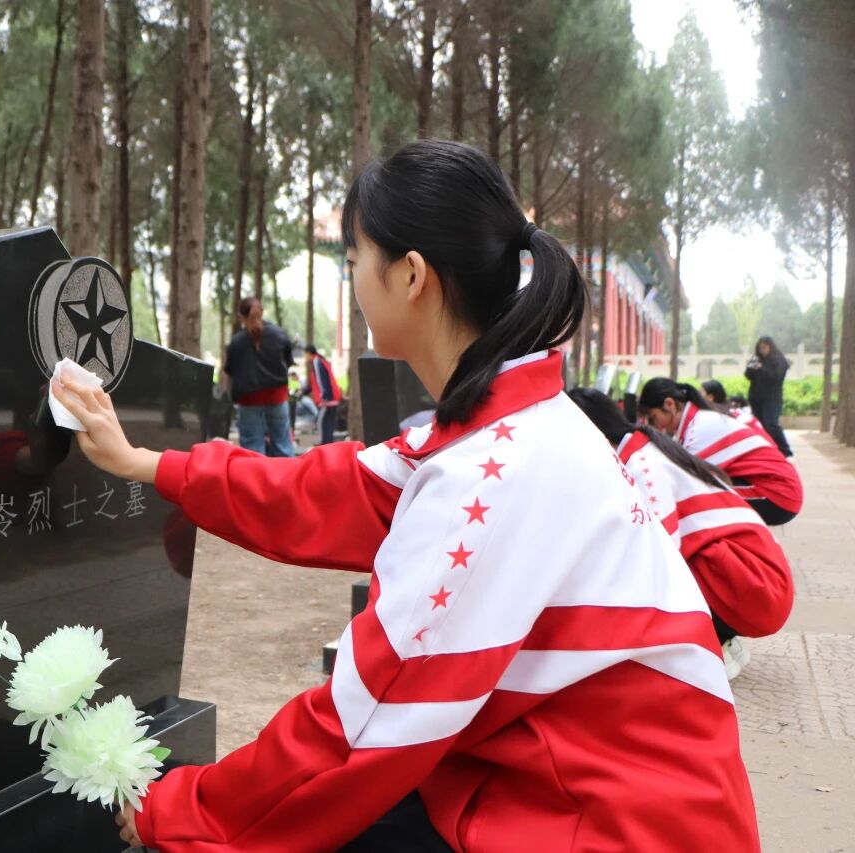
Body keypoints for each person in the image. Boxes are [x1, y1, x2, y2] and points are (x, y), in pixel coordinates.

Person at [54, 139, 757, 851]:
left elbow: (362, 724)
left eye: (356, 258)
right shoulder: (505, 425)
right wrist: (148, 463)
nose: (353, 278)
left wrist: (179, 808)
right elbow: (326, 491)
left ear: (411, 275)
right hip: (580, 786)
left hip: (611, 824)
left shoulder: (491, 474)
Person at [568, 388, 793, 680]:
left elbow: (660, 558)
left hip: (757, 589)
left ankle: (708, 651)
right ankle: (722, 639)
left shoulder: (641, 466)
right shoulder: (645, 447)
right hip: (757, 581)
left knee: (646, 567)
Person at [638, 377, 802, 526]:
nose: (653, 425)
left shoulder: (699, 429)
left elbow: (682, 478)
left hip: (777, 494)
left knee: (692, 499)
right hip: (775, 486)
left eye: (652, 416)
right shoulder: (697, 420)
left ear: (669, 404)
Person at [223, 297, 296, 457]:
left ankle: (256, 473)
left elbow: (229, 369)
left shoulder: (236, 342)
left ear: (241, 316)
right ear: (261, 312)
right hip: (277, 397)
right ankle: (286, 472)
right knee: (283, 444)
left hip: (249, 400)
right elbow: (288, 362)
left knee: (252, 448)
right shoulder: (279, 334)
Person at [745, 335, 792, 456]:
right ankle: (766, 449)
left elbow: (775, 378)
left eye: (764, 347)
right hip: (756, 397)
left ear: (771, 347)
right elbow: (748, 375)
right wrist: (752, 366)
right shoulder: (757, 359)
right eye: (760, 348)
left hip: (772, 398)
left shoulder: (779, 361)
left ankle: (785, 450)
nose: (762, 350)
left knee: (771, 423)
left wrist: (761, 368)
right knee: (760, 425)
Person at [298, 344, 343, 445]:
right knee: (329, 424)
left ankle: (324, 445)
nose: (305, 357)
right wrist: (304, 392)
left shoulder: (317, 361)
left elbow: (321, 380)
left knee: (321, 423)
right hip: (333, 398)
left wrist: (325, 396)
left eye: (305, 354)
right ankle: (329, 445)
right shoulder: (321, 360)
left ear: (308, 353)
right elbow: (315, 383)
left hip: (328, 400)